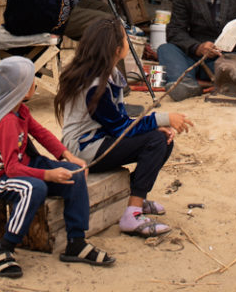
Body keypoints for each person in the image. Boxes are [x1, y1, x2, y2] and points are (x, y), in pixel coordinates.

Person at [0, 56, 116, 278]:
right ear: (20, 89)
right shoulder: (7, 122)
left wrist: (67, 155)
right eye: (31, 80)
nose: (35, 82)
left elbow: (41, 134)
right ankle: (4, 250)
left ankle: (76, 242)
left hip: (26, 166)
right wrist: (48, 175)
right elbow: (11, 169)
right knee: (35, 189)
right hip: (2, 178)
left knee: (75, 174)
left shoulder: (20, 111)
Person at [55, 17, 195, 236]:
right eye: (126, 38)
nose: (129, 42)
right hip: (84, 150)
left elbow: (118, 122)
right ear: (117, 48)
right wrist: (163, 119)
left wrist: (156, 126)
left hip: (101, 139)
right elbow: (119, 128)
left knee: (163, 138)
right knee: (156, 140)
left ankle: (133, 196)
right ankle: (133, 213)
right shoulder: (94, 83)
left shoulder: (109, 72)